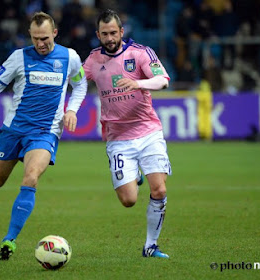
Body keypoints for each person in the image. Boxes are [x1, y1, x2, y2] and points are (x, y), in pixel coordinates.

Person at [0, 11, 87, 261]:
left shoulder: (69, 57)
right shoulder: (19, 58)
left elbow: (80, 84)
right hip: (14, 130)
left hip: (45, 132)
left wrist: (71, 109)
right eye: (35, 39)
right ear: (29, 36)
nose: (41, 44)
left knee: (30, 177)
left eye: (45, 38)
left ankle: (9, 240)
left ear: (55, 33)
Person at [82, 9, 171, 258]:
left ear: (122, 32)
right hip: (118, 137)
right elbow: (76, 80)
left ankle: (150, 246)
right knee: (129, 199)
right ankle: (136, 175)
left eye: (113, 33)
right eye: (104, 34)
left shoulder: (140, 53)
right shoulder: (93, 60)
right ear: (98, 34)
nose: (109, 38)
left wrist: (138, 83)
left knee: (160, 190)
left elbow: (163, 79)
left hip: (148, 130)